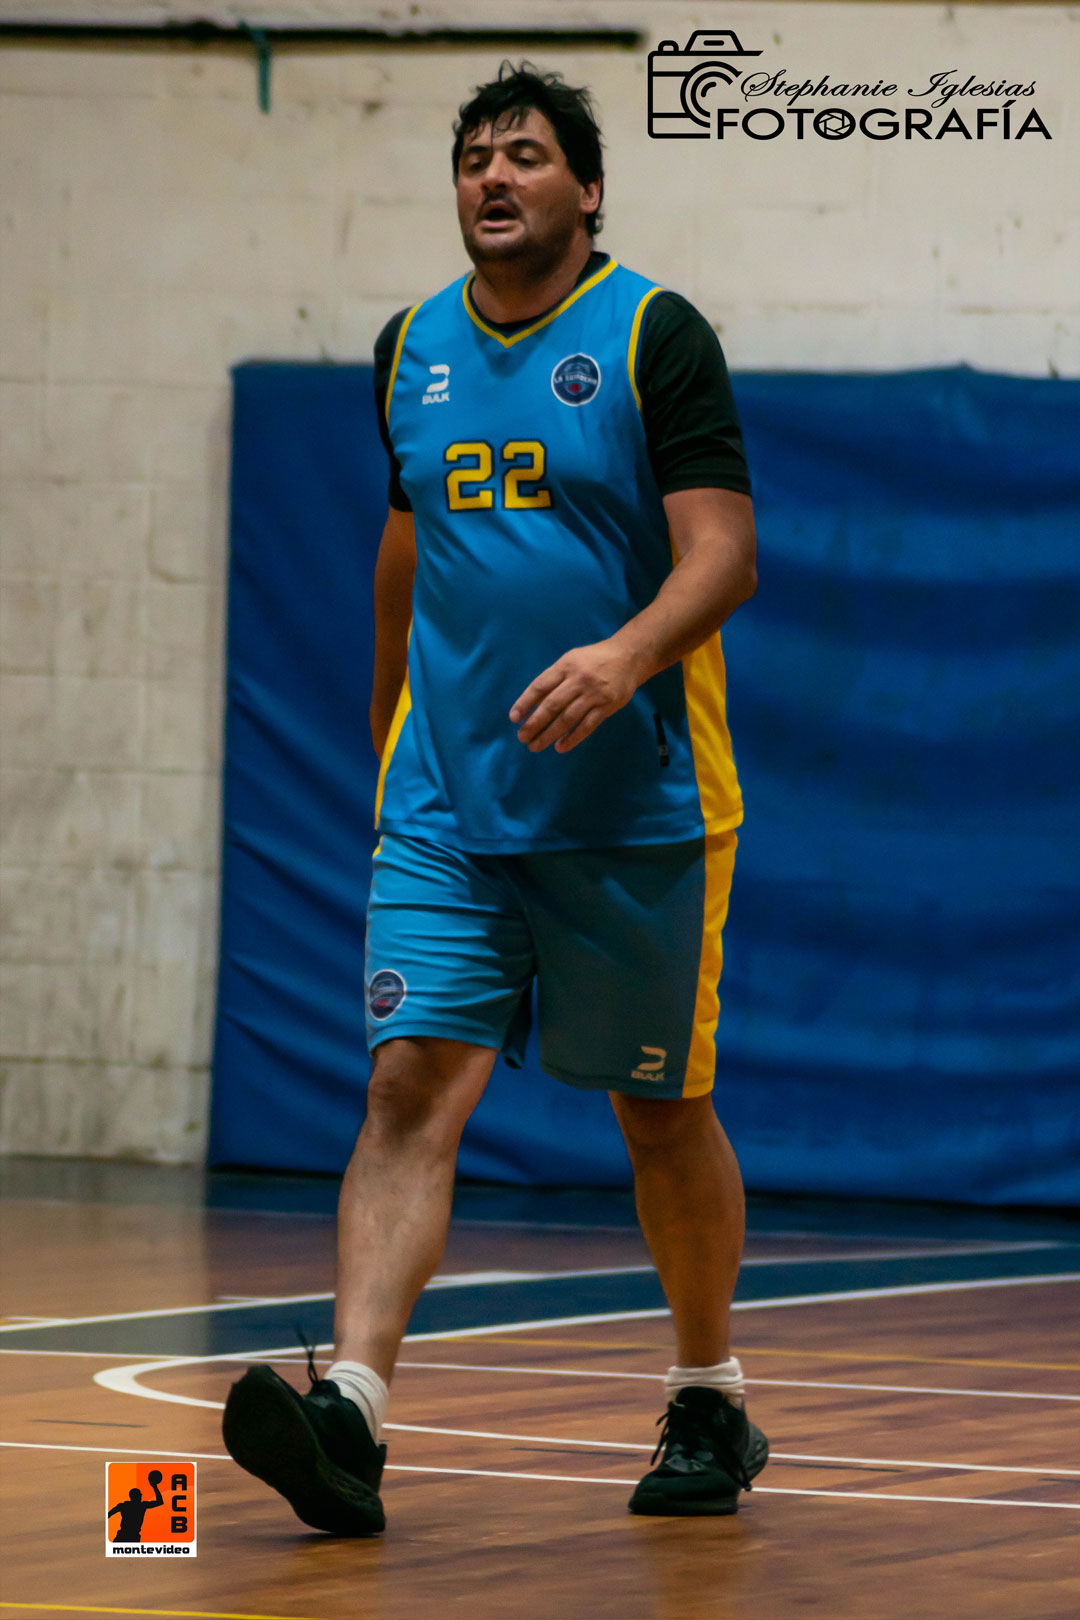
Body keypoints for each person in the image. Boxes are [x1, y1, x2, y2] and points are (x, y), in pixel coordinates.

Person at [223, 61, 766, 1535]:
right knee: (406, 1086)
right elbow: (407, 553)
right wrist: (393, 739)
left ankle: (708, 1395)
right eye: (473, 157)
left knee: (660, 1113)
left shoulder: (654, 334)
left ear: (587, 189)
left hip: (635, 804)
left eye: (524, 153)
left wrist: (625, 654)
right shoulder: (410, 348)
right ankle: (352, 1410)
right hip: (448, 805)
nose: (493, 176)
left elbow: (724, 552)